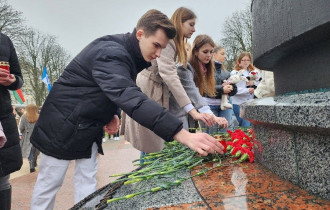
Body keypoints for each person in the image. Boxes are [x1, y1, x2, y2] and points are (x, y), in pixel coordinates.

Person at [30, 9, 224, 209]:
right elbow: (131, 97)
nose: (158, 54)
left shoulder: (130, 54)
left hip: (88, 123)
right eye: (156, 45)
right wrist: (180, 133)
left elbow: (108, 88)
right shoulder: (111, 53)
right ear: (140, 34)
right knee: (50, 183)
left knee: (87, 181)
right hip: (61, 123)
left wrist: (112, 113)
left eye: (162, 48)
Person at [124, 7, 216, 160]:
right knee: (150, 140)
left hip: (153, 88)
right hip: (150, 89)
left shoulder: (175, 42)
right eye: (191, 24)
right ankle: (145, 175)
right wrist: (192, 111)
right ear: (180, 22)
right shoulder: (172, 41)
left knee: (152, 139)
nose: (194, 29)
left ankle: (146, 172)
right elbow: (169, 74)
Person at [169, 35, 228, 130]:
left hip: (189, 114)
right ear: (196, 52)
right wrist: (212, 116)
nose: (209, 55)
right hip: (176, 112)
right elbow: (193, 93)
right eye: (205, 52)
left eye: (211, 52)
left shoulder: (204, 69)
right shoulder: (185, 68)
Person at [0, 32, 23, 210]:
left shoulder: (4, 40)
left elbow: (18, 77)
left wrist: (12, 80)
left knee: (2, 175)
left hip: (2, 116)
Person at [230, 52, 261, 127]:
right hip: (239, 104)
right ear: (239, 61)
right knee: (245, 126)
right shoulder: (235, 73)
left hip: (251, 103)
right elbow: (234, 89)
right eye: (243, 60)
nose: (246, 62)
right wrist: (247, 90)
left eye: (248, 60)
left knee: (251, 127)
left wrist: (253, 84)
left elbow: (260, 83)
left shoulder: (254, 72)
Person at [211, 46, 237, 130]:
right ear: (214, 55)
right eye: (222, 54)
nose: (225, 56)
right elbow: (205, 89)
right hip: (210, 105)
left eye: (225, 54)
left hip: (225, 106)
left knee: (224, 133)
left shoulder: (226, 72)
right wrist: (222, 89)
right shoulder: (206, 71)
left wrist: (231, 88)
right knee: (212, 133)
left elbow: (234, 90)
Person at [19, 104, 40, 173]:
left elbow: (21, 127)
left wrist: (22, 132)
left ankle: (31, 163)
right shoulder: (39, 117)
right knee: (36, 150)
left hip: (27, 136)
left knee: (29, 150)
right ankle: (33, 162)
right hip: (36, 135)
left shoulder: (24, 117)